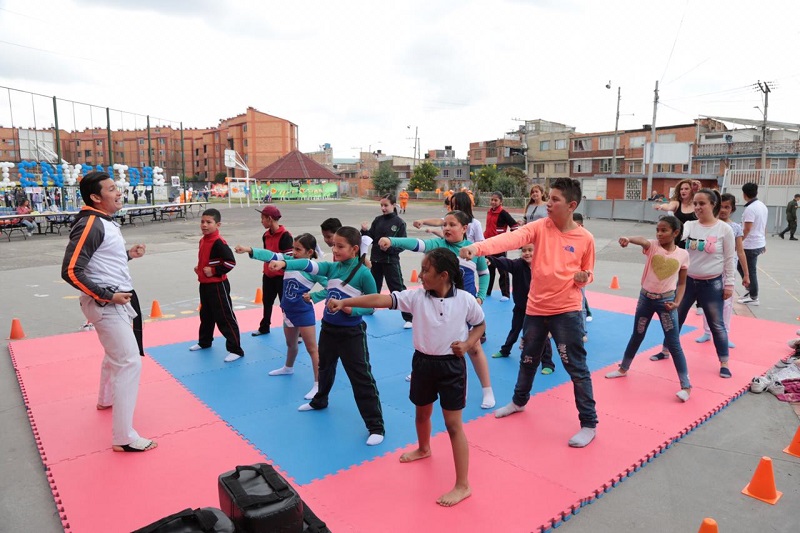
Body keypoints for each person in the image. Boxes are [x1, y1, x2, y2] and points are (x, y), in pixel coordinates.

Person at [327, 248, 484, 506]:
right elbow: (380, 299)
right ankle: (424, 448)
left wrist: (467, 345)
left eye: (426, 271)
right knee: (422, 413)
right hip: (423, 364)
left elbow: (480, 325)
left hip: (451, 367)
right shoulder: (416, 298)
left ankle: (463, 485)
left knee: (454, 425)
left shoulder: (466, 300)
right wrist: (346, 302)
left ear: (443, 275)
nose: (420, 275)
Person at [460, 178, 598, 448]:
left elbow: (588, 274)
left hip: (567, 310)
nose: (549, 203)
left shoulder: (585, 238)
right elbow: (510, 237)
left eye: (555, 199)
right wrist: (477, 248)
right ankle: (519, 401)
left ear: (571, 205)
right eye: (549, 197)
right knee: (528, 359)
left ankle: (589, 423)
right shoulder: (540, 227)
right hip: (536, 307)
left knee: (576, 367)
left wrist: (583, 277)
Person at [61, 171, 156, 452]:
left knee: (114, 354)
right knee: (129, 362)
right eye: (112, 189)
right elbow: (70, 270)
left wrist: (128, 255)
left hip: (115, 302)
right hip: (107, 304)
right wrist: (108, 296)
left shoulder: (104, 222)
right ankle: (123, 437)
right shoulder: (90, 223)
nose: (119, 192)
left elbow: (99, 260)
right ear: (95, 197)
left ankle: (105, 398)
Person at [271, 227, 385, 446]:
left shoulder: (363, 273)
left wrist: (354, 310)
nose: (335, 250)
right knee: (325, 368)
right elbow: (308, 264)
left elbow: (374, 304)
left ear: (354, 249)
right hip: (329, 329)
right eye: (333, 245)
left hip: (352, 333)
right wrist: (285, 263)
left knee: (361, 378)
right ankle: (319, 400)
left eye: (340, 246)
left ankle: (376, 425)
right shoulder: (332, 268)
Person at [381, 210, 495, 409]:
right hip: (437, 303)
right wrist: (392, 240)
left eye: (452, 225)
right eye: (445, 225)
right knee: (429, 338)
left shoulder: (473, 249)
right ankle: (422, 372)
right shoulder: (438, 246)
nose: (447, 228)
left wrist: (480, 296)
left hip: (462, 306)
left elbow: (483, 274)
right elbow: (416, 244)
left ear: (465, 228)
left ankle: (487, 390)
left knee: (473, 348)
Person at [606, 216, 692, 401]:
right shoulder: (652, 246)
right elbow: (643, 241)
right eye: (657, 230)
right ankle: (623, 368)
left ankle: (686, 386)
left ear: (675, 233)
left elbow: (683, 283)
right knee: (637, 334)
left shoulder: (683, 255)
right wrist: (628, 239)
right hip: (645, 299)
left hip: (666, 302)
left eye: (664, 230)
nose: (659, 234)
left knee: (674, 343)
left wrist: (677, 302)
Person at [235, 234, 325, 400]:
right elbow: (270, 255)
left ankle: (318, 384)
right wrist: (248, 249)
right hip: (288, 310)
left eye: (298, 249)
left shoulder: (313, 269)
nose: (294, 252)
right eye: (293, 248)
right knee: (290, 344)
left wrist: (314, 297)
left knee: (312, 349)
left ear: (310, 251)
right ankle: (288, 367)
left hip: (303, 312)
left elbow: (331, 287)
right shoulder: (289, 259)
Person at [670, 189, 736, 377]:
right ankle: (666, 349)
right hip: (688, 282)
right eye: (696, 204)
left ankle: (724, 361)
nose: (698, 207)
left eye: (702, 203)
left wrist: (729, 284)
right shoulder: (690, 225)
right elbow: (679, 236)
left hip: (712, 284)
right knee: (675, 318)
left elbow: (729, 258)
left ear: (713, 204)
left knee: (717, 324)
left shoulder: (724, 229)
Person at [488, 244, 556, 374]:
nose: (527, 253)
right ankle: (505, 350)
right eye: (524, 250)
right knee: (515, 329)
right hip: (520, 307)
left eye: (530, 250)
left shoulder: (543, 266)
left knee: (542, 336)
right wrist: (490, 260)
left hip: (537, 310)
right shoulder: (518, 265)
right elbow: (505, 262)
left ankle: (548, 363)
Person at [189, 209, 244, 362]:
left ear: (217, 224)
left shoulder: (219, 242)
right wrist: (199, 269)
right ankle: (205, 342)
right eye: (202, 222)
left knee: (224, 317)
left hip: (218, 286)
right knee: (205, 315)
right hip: (204, 285)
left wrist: (213, 271)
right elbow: (206, 259)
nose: (204, 225)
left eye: (208, 222)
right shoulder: (203, 240)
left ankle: (236, 349)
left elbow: (230, 262)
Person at [696, 194, 749, 347]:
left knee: (726, 303)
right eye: (722, 207)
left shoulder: (736, 228)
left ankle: (725, 333)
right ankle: (707, 332)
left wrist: (746, 274)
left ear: (732, 209)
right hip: (711, 269)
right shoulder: (711, 225)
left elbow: (740, 251)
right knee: (707, 302)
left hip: (728, 271)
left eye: (727, 207)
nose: (724, 210)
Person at [360, 194, 412, 328]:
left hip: (391, 261)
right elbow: (371, 237)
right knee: (373, 287)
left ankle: (409, 318)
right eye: (381, 205)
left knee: (397, 288)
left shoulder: (399, 223)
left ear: (393, 205)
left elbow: (403, 244)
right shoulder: (377, 220)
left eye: (386, 205)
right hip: (376, 260)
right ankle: (370, 308)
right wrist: (364, 231)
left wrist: (390, 249)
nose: (383, 208)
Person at [251, 205, 293, 336]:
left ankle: (295, 331)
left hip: (281, 277)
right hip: (268, 275)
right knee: (267, 302)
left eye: (262, 218)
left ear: (269, 219)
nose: (261, 221)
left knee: (285, 304)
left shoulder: (286, 236)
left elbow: (288, 259)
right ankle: (264, 327)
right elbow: (265, 253)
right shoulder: (266, 235)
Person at [484, 191, 519, 301]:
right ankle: (487, 291)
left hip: (499, 245)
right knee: (489, 269)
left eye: (496, 200)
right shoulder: (489, 212)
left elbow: (514, 226)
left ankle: (506, 294)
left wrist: (508, 238)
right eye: (492, 200)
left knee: (502, 269)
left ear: (501, 201)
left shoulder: (503, 213)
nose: (493, 202)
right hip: (488, 245)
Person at [737, 182, 768, 306]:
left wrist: (739, 241)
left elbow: (747, 229)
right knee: (742, 267)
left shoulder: (750, 209)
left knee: (749, 270)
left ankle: (753, 296)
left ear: (744, 194)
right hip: (758, 242)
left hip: (750, 244)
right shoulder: (762, 205)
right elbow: (763, 226)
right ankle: (750, 290)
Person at [413, 192, 483, 243]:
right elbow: (438, 221)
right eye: (453, 205)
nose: (454, 207)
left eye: (457, 205)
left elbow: (480, 243)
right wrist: (422, 221)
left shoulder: (475, 224)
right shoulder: (449, 219)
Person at [654, 179, 696, 249]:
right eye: (681, 189)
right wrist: (661, 206)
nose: (683, 191)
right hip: (679, 239)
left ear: (692, 190)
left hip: (693, 239)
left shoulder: (696, 204)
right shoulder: (677, 203)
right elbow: (668, 206)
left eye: (686, 189)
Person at [573, 212, 592, 337]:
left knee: (581, 305)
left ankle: (583, 332)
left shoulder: (586, 239)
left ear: (582, 225)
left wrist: (585, 275)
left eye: (577, 225)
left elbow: (589, 266)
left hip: (580, 277)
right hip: (565, 278)